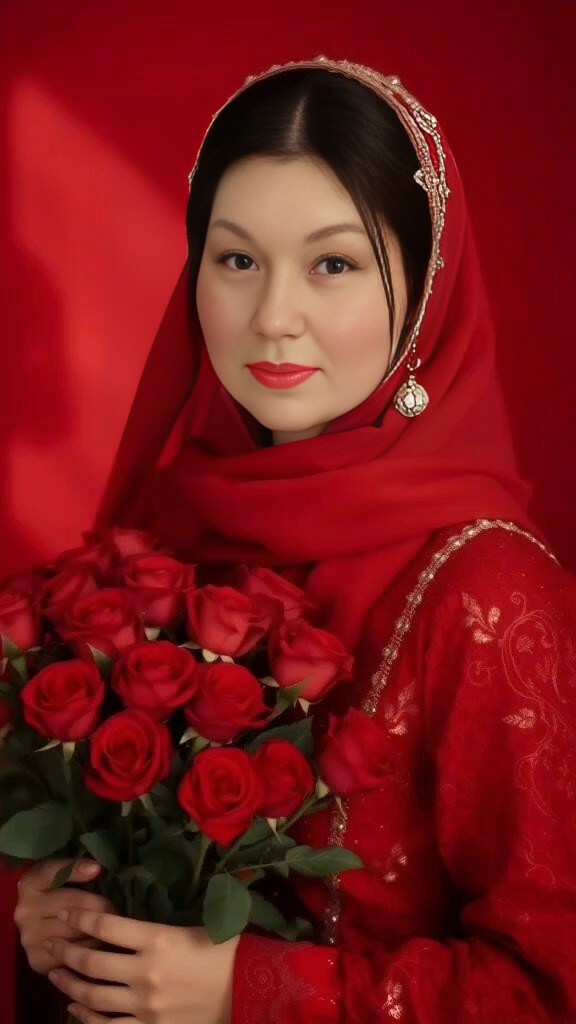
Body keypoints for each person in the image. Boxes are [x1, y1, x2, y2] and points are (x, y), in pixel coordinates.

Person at [12, 56, 576, 1024]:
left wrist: (250, 990)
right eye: (236, 260)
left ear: (426, 286)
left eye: (333, 264)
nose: (273, 317)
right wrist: (62, 923)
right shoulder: (166, 548)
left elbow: (549, 989)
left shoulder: (489, 593)